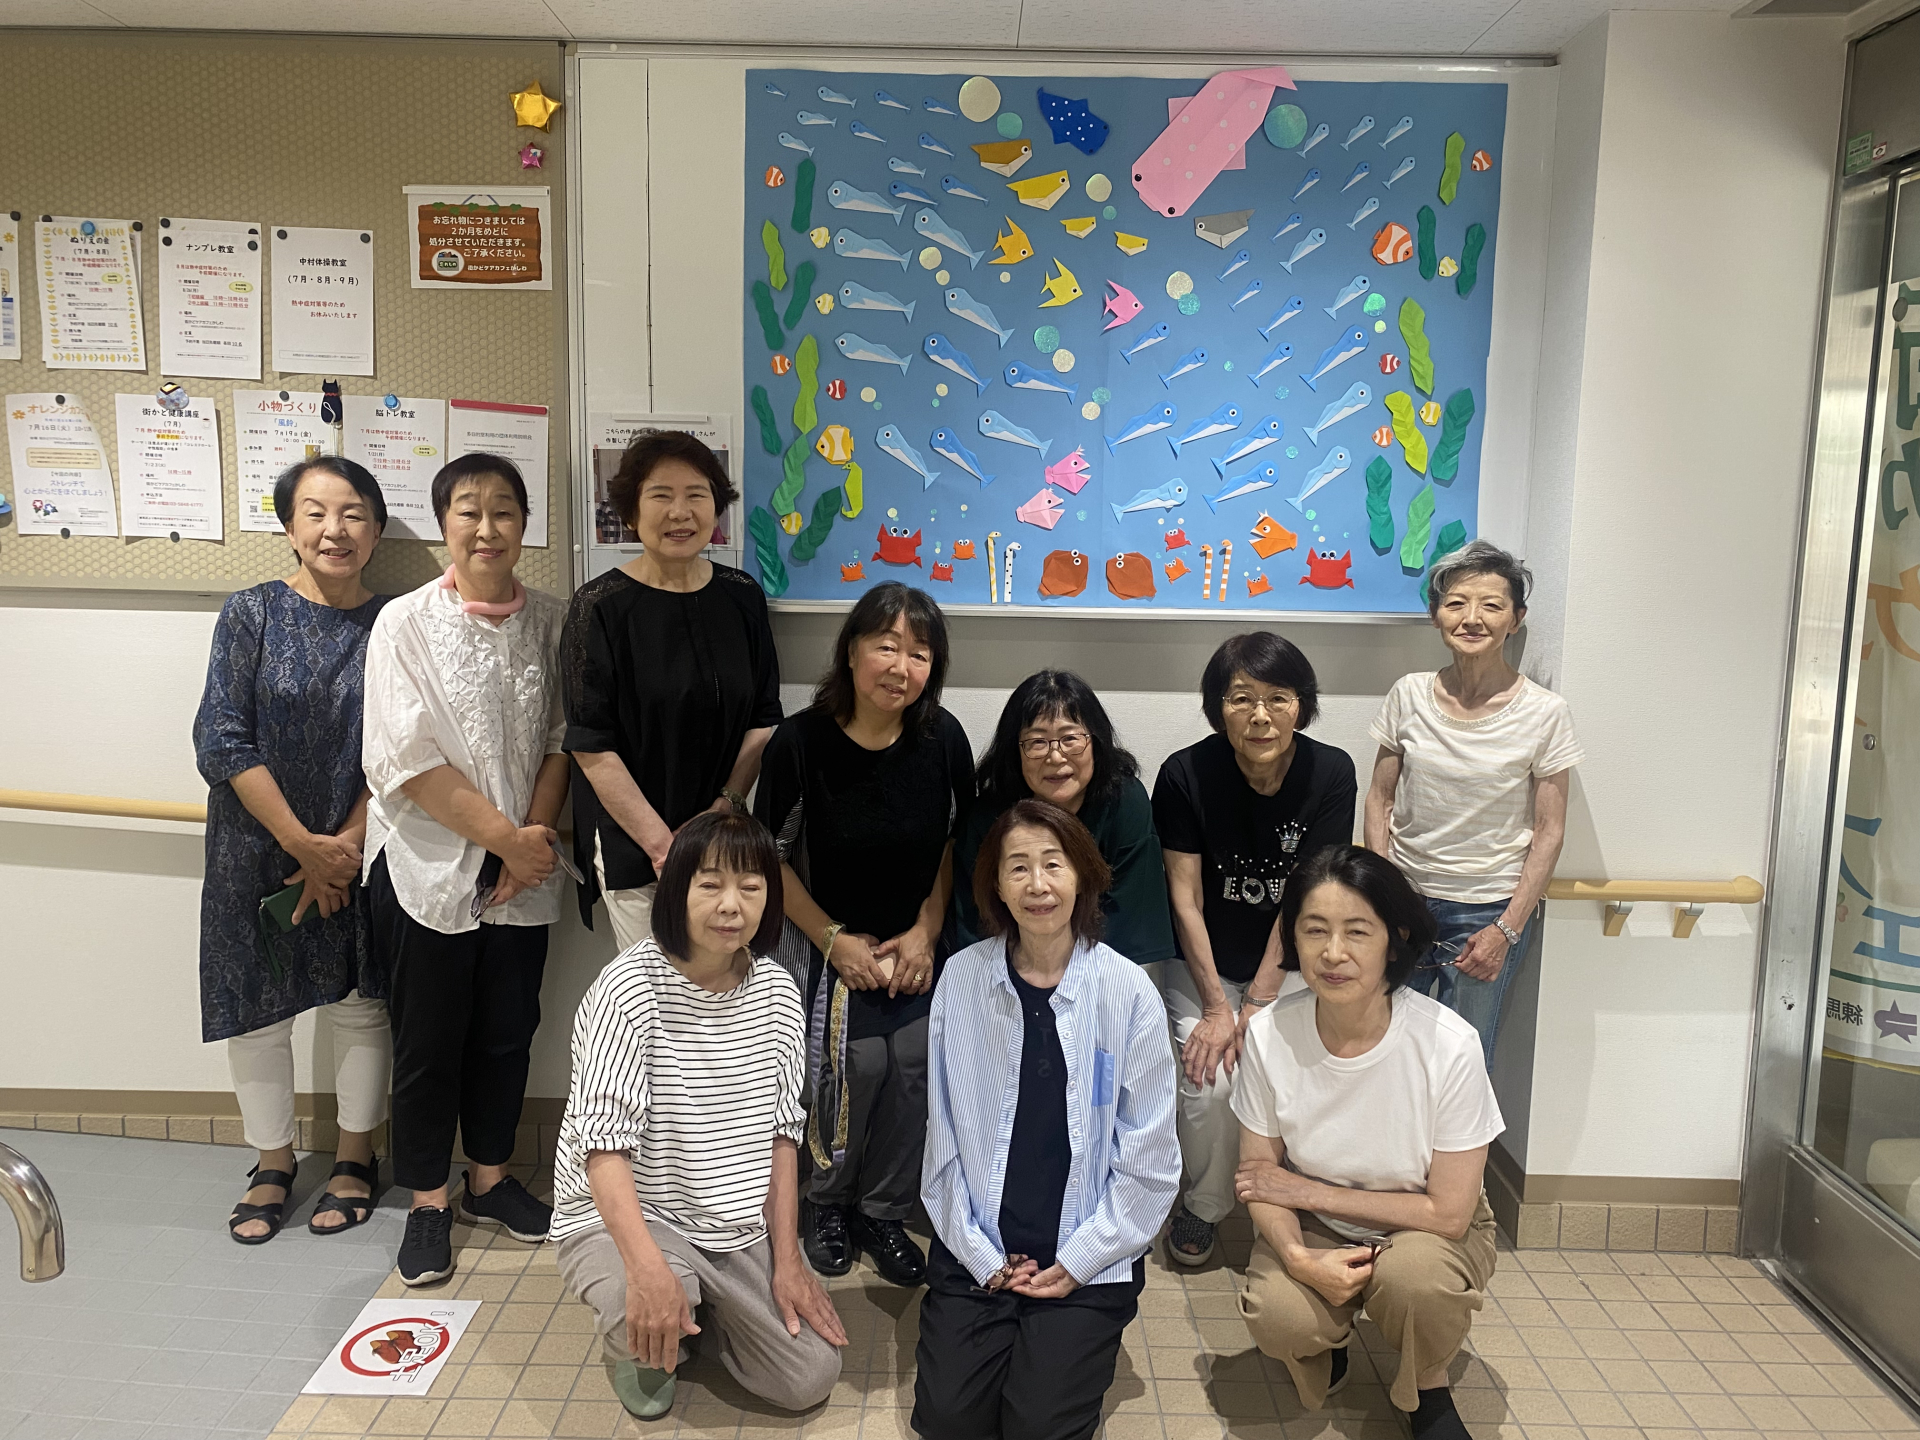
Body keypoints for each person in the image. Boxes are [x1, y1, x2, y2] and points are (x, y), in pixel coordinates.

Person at [551, 812, 845, 1422]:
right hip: (631, 1214)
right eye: (710, 884)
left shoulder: (778, 993)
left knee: (810, 1377)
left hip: (732, 1224)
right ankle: (655, 1326)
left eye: (751, 886)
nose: (731, 905)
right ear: (677, 891)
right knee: (645, 1299)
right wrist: (645, 1269)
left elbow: (783, 1138)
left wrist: (789, 1260)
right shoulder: (627, 990)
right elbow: (603, 1149)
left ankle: (693, 1317)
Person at [361, 453, 570, 1286]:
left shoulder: (553, 621)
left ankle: (489, 1180)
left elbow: (561, 740)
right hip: (427, 864)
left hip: (527, 871)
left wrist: (532, 840)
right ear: (444, 523)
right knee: (428, 1042)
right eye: (468, 511)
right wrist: (506, 842)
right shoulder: (404, 623)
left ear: (525, 524)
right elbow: (406, 759)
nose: (487, 528)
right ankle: (426, 1201)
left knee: (508, 1034)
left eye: (505, 510)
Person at [914, 799, 1179, 1440]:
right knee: (950, 1421)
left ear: (1083, 876)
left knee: (1036, 1426)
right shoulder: (960, 979)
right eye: (1018, 867)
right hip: (979, 1247)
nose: (1038, 884)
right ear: (997, 886)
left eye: (1053, 864)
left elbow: (1150, 1161)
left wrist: (1083, 1257)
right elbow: (941, 1142)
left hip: (1087, 1249)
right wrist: (981, 1256)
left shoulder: (1129, 993)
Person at [1232, 845, 1502, 1440]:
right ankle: (1327, 1346)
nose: (1333, 953)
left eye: (1357, 931)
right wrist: (1299, 1258)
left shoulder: (1448, 1044)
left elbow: (1449, 1213)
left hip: (1425, 1230)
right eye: (1314, 930)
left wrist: (1307, 1191)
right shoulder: (1269, 1034)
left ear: (1395, 938)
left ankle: (1425, 1385)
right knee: (1278, 1315)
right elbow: (1258, 1178)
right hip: (1316, 1226)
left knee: (1417, 1282)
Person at [195, 456, 392, 1245]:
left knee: (360, 1003)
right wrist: (302, 847)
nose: (334, 529)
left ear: (376, 530)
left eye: (353, 513)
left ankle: (355, 1158)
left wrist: (343, 845)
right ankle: (272, 1163)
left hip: (361, 845)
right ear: (289, 528)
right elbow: (220, 736)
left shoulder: (397, 623)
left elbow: (406, 748)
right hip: (256, 845)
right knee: (256, 1012)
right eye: (315, 512)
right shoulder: (251, 613)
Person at [754, 583, 972, 1289]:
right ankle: (826, 1203)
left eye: (919, 653)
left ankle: (883, 1211)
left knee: (914, 1062)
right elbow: (770, 859)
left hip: (913, 950)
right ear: (851, 652)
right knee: (853, 1063)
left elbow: (956, 843)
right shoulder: (800, 742)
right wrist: (834, 941)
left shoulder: (943, 739)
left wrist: (926, 931)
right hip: (823, 947)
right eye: (886, 646)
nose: (901, 667)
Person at [1150, 632, 1357, 1266]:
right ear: (1218, 708)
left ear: (1302, 705)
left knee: (1296, 1071)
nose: (1260, 715)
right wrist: (1218, 1006)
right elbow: (1184, 898)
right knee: (1210, 1082)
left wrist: (1259, 1001)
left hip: (1292, 962)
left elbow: (1306, 895)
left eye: (1278, 698)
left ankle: (1305, 1201)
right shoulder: (1185, 774)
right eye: (1241, 698)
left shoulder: (1331, 772)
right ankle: (1206, 1204)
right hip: (1201, 962)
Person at [1364, 541, 1583, 1068]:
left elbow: (1550, 830)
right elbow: (1379, 799)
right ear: (1436, 615)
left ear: (1516, 620)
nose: (1472, 618)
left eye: (1491, 605)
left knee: (1462, 1060)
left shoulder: (1545, 713)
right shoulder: (1408, 694)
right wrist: (1384, 897)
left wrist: (1507, 928)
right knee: (1384, 1048)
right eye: (1456, 603)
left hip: (1486, 910)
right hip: (1406, 899)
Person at [562, 430, 781, 949]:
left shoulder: (743, 596)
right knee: (660, 989)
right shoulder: (598, 607)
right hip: (638, 845)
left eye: (696, 495)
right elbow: (591, 744)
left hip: (723, 839)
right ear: (630, 512)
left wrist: (724, 807)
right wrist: (666, 848)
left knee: (724, 987)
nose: (680, 512)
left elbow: (763, 718)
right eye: (661, 495)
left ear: (716, 507)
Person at [949, 670, 1175, 968]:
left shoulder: (1123, 803)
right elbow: (977, 923)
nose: (1055, 757)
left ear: (1096, 741)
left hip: (1104, 970)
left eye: (1070, 739)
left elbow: (1134, 924)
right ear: (1015, 750)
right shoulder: (990, 817)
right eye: (1037, 742)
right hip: (1010, 969)